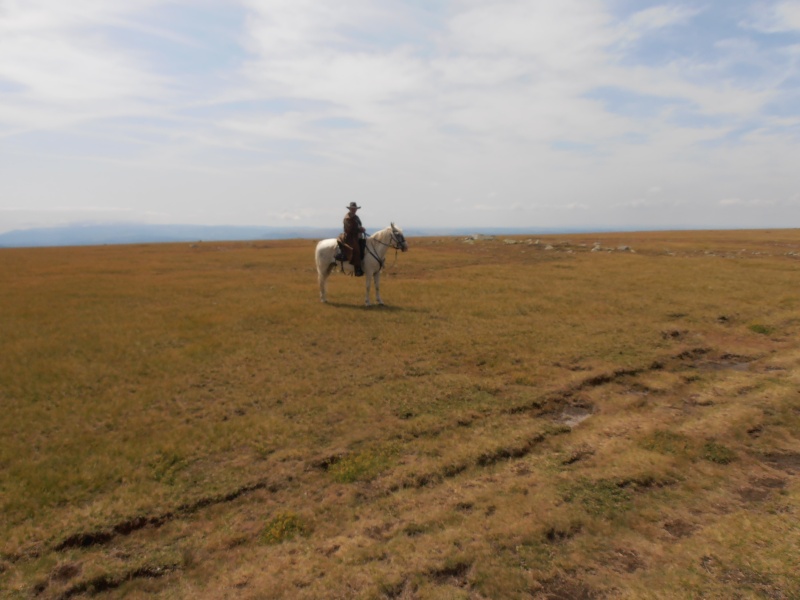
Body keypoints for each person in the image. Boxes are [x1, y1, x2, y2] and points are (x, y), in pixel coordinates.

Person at [340, 202, 366, 276]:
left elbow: (359, 226)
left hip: (357, 236)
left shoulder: (356, 217)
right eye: (353, 208)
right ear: (350, 209)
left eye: (355, 209)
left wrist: (361, 229)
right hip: (349, 237)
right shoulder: (347, 218)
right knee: (356, 249)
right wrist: (360, 230)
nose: (354, 210)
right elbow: (350, 229)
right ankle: (357, 269)